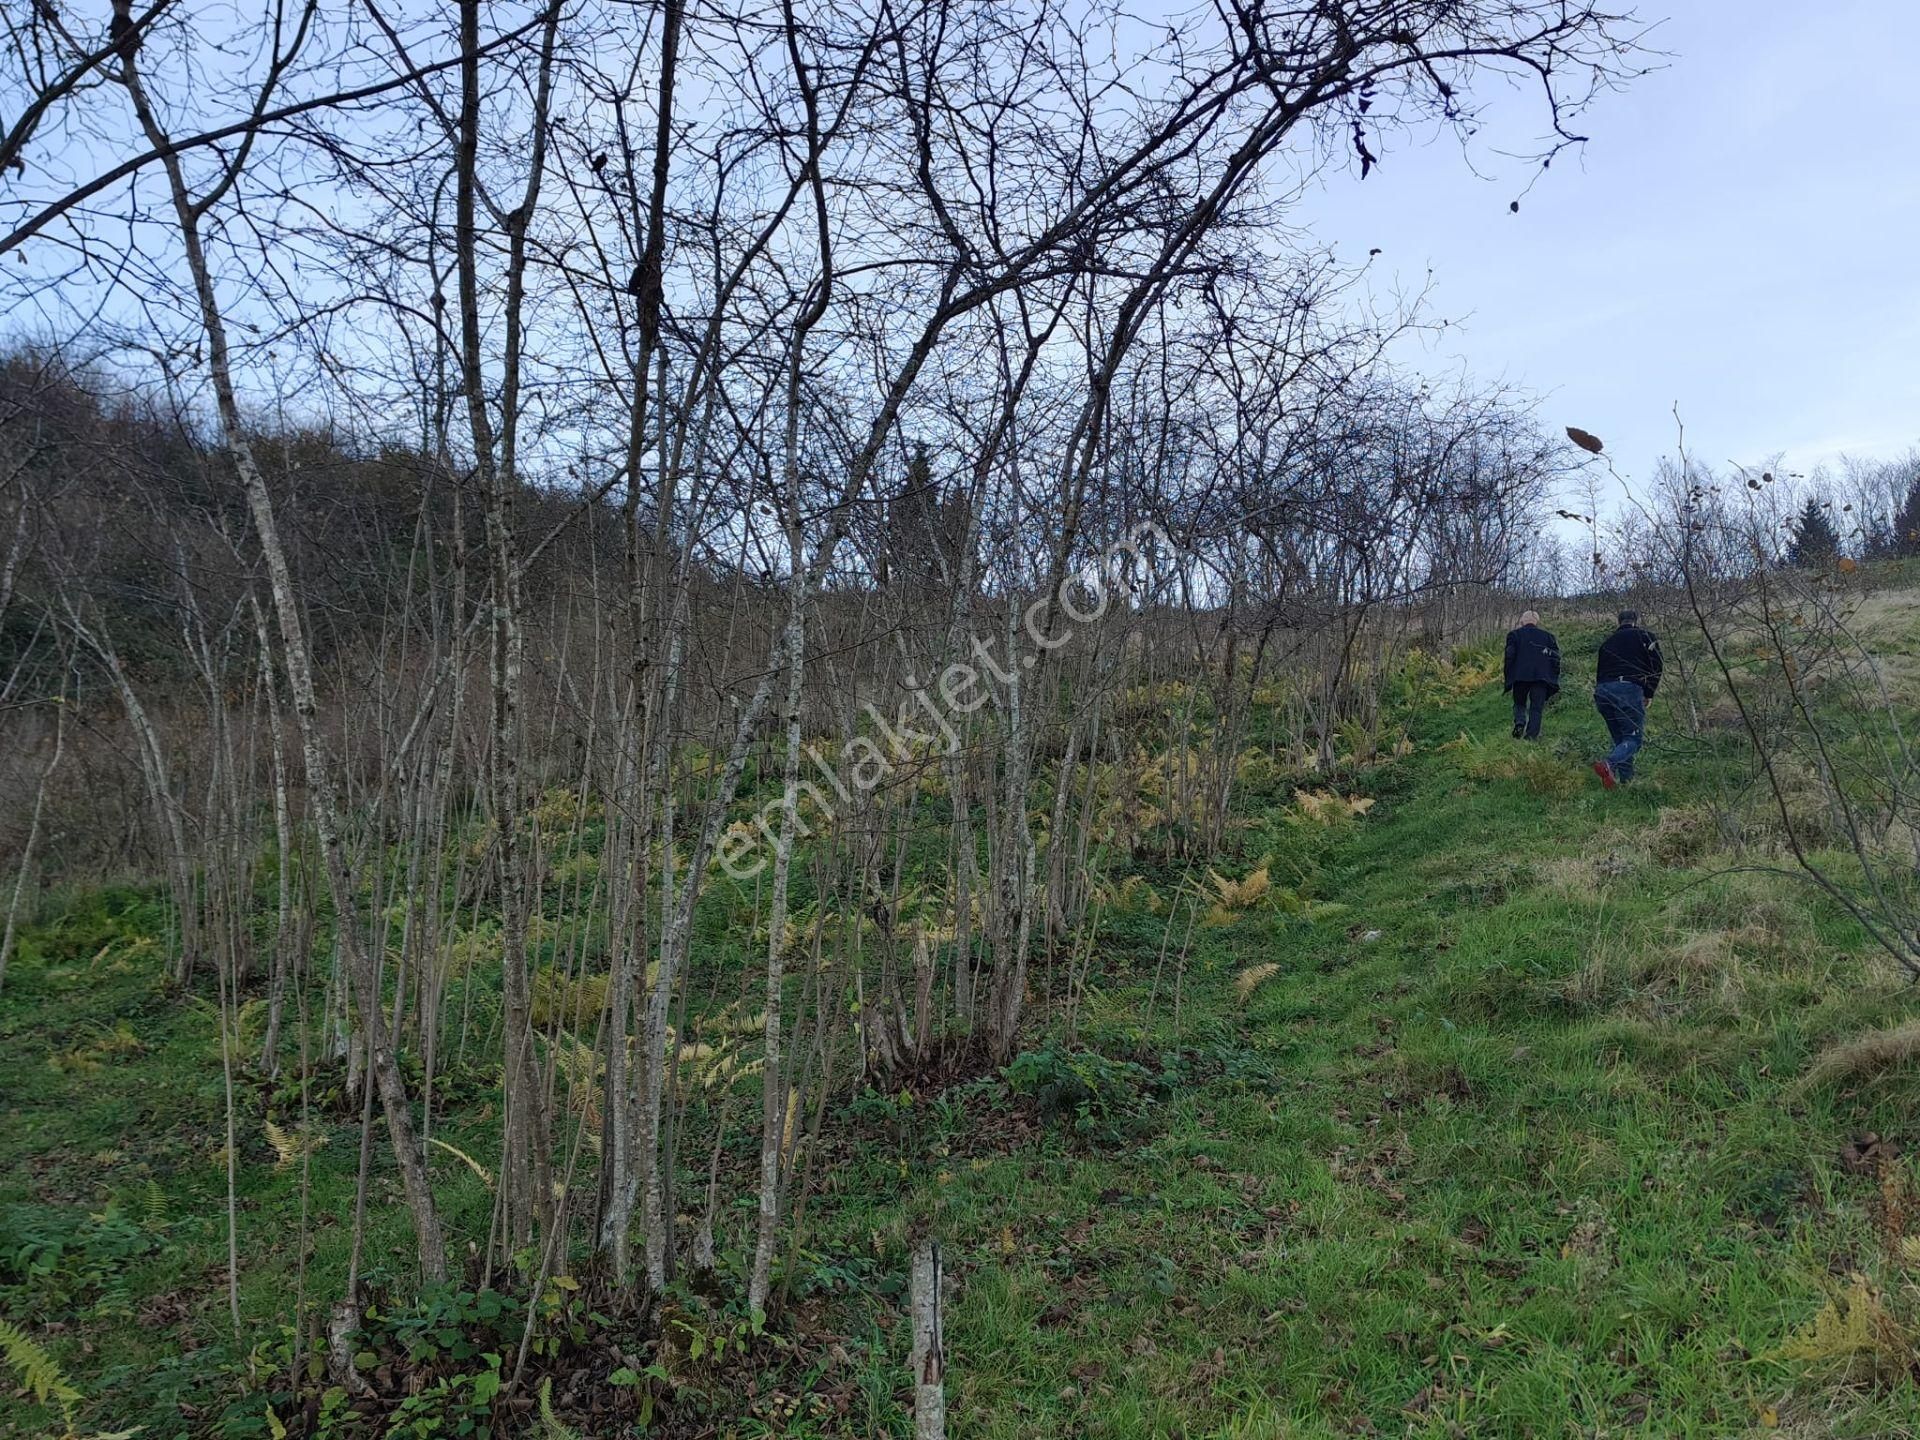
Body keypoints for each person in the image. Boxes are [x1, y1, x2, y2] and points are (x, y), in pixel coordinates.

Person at [1591, 609, 1663, 788]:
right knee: (1633, 740)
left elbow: (1599, 672)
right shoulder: (1645, 636)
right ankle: (1609, 764)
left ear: (1619, 622)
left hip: (1603, 691)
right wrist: (1649, 692)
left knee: (1621, 740)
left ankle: (1626, 781)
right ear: (1635, 620)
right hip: (1627, 690)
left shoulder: (1607, 642)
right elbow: (1657, 664)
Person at [1502, 610, 1561, 740]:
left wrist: (1508, 675)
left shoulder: (1514, 635)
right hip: (1541, 678)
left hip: (1520, 676)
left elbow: (1509, 656)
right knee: (1536, 708)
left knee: (1519, 703)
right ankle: (1531, 737)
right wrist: (1554, 676)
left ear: (1523, 620)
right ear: (1536, 621)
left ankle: (1519, 722)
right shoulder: (1548, 637)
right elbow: (1555, 658)